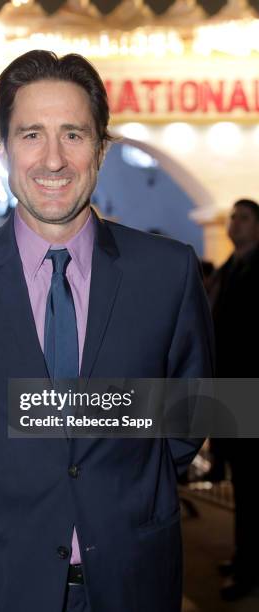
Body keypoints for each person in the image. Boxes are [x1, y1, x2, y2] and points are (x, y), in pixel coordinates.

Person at [0, 51, 214, 612]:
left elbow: (194, 413)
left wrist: (124, 485)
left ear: (100, 148)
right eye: (31, 135)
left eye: (73, 134)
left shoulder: (168, 271)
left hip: (133, 575)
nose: (53, 159)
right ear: (2, 149)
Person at [210, 198, 259, 601]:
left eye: (244, 218)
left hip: (251, 391)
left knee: (252, 486)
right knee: (243, 485)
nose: (234, 224)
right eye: (232, 217)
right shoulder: (230, 268)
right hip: (231, 391)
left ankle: (249, 570)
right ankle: (244, 556)